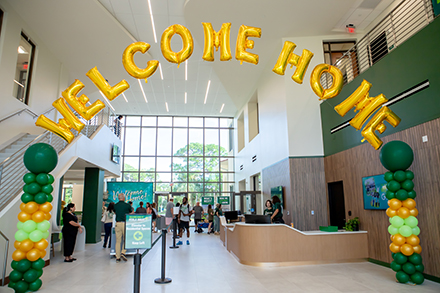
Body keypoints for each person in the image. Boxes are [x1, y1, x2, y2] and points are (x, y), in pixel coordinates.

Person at [114, 193, 134, 263]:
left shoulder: (115, 205)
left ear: (118, 198)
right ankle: (123, 252)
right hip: (125, 223)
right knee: (126, 239)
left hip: (117, 224)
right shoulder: (127, 205)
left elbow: (115, 213)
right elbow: (131, 212)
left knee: (118, 241)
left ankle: (117, 257)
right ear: (124, 198)